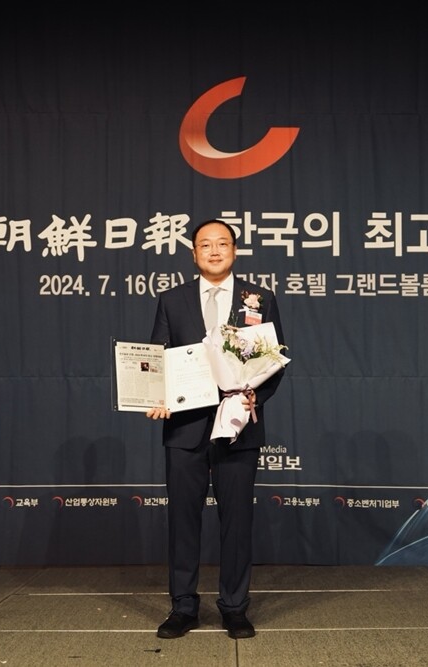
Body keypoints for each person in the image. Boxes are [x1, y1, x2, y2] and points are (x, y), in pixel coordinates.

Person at [145, 218, 286, 640]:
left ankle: (235, 607)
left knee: (237, 521)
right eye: (205, 245)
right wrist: (157, 396)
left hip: (238, 425)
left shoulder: (258, 298)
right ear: (194, 254)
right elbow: (157, 358)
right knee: (182, 520)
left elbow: (275, 361)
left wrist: (255, 396)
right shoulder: (172, 300)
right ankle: (183, 607)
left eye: (222, 243)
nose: (214, 251)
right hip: (185, 428)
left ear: (234, 251)